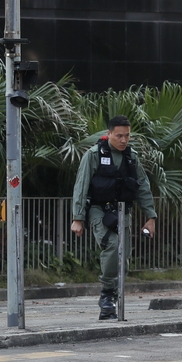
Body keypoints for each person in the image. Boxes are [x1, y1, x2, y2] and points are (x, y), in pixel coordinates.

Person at [71, 115, 157, 320]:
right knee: (112, 245)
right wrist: (77, 218)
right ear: (109, 134)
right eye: (119, 135)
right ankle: (107, 294)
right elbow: (81, 186)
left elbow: (143, 186)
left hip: (122, 212)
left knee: (123, 257)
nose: (123, 140)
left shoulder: (131, 157)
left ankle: (113, 296)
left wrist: (151, 216)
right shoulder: (94, 155)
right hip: (99, 210)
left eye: (127, 136)